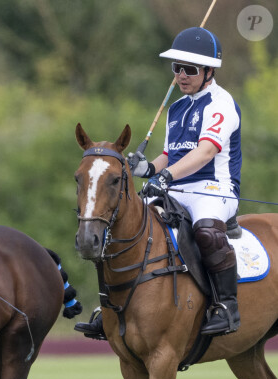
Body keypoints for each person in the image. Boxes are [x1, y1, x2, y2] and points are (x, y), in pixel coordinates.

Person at [76, 27, 241, 339]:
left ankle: (226, 305)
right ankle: (109, 304)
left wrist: (165, 176)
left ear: (209, 71)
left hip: (214, 188)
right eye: (176, 68)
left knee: (206, 232)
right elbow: (170, 153)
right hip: (175, 188)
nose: (181, 75)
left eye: (189, 69)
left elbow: (205, 152)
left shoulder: (221, 103)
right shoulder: (177, 108)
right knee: (121, 224)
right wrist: (150, 167)